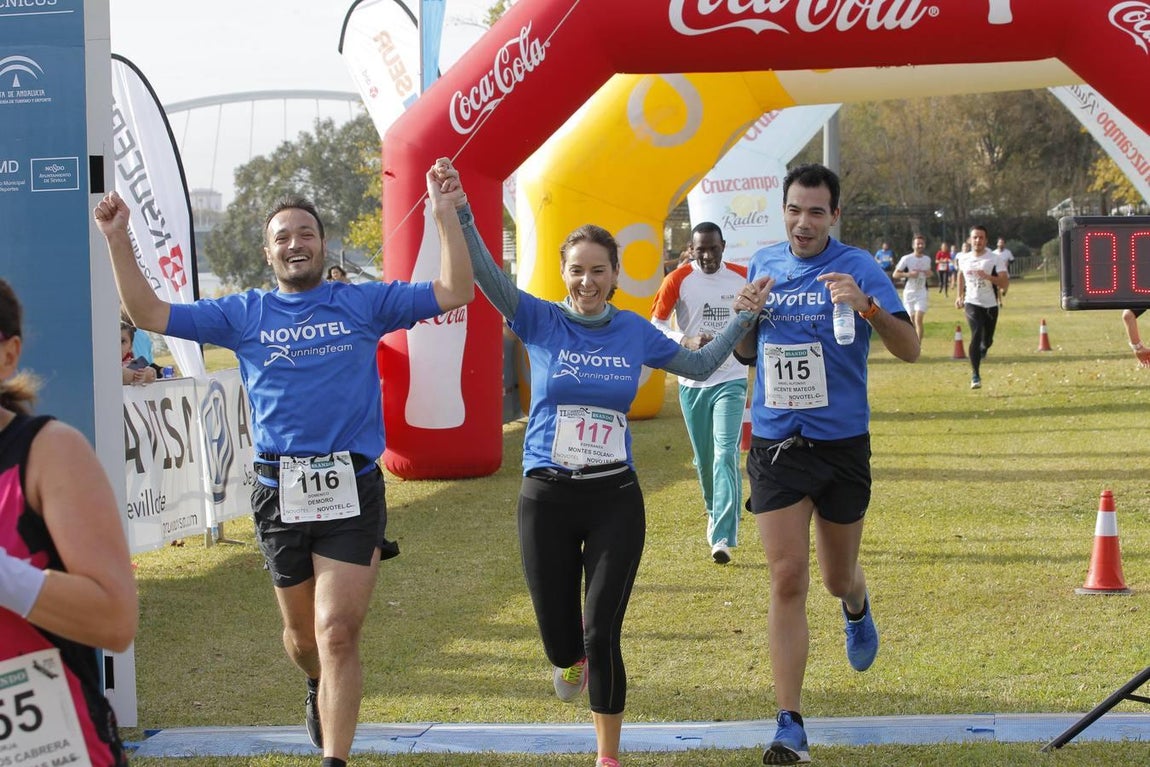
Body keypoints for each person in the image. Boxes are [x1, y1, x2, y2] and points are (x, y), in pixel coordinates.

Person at [94, 158, 474, 767]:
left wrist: (445, 214)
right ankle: (313, 684)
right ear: (269, 255)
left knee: (337, 632)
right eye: (282, 238)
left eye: (305, 233)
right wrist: (118, 239)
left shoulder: (363, 303)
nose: (295, 243)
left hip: (352, 488)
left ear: (323, 245)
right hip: (278, 492)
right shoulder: (243, 314)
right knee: (304, 643)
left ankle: (335, 759)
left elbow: (456, 289)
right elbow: (150, 316)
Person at [446, 165, 770, 767]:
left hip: (614, 499)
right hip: (546, 495)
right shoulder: (540, 318)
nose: (588, 281)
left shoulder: (632, 331)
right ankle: (568, 660)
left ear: (616, 275)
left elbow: (698, 368)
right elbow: (490, 279)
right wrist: (463, 213)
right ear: (563, 274)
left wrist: (744, 319)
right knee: (563, 645)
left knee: (602, 631)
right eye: (578, 270)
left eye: (599, 270)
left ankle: (608, 757)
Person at [733, 163, 919, 765]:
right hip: (778, 443)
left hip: (841, 446)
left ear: (835, 216)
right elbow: (744, 353)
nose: (803, 222)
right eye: (794, 209)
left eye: (816, 211)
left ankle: (856, 603)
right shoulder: (763, 264)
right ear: (781, 211)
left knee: (837, 577)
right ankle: (789, 724)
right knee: (787, 576)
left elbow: (911, 348)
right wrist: (744, 319)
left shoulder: (860, 267)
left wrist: (867, 307)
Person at [0, 278, 138, 767]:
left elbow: (115, 621)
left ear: (9, 354)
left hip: (52, 748)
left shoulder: (49, 452)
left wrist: (6, 577)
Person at [651, 222, 749, 564]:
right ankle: (712, 509)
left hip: (731, 378)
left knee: (726, 454)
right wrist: (686, 341)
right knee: (705, 460)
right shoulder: (677, 280)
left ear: (723, 246)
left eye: (713, 249)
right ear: (691, 250)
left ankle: (722, 535)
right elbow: (656, 324)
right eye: (700, 250)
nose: (707, 256)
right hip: (692, 381)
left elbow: (759, 315)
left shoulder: (742, 276)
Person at [955, 225, 1008, 390]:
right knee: (976, 334)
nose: (978, 240)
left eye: (981, 237)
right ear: (970, 240)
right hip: (972, 302)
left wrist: (988, 277)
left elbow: (1004, 282)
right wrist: (959, 296)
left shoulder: (994, 259)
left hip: (990, 305)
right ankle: (975, 375)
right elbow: (960, 275)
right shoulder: (964, 258)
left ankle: (985, 347)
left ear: (986, 240)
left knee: (987, 340)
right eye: (975, 237)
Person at [893, 234, 932, 342]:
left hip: (921, 292)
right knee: (911, 320)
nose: (920, 246)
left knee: (918, 318)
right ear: (913, 245)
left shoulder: (927, 259)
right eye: (917, 244)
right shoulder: (906, 259)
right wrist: (909, 274)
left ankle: (918, 345)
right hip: (909, 292)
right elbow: (895, 274)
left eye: (922, 243)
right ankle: (913, 342)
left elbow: (929, 273)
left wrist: (929, 273)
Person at [120, 320, 158, 385]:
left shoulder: (132, 363)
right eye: (112, 340)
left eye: (122, 341)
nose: (117, 344)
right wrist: (133, 375)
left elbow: (152, 373)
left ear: (130, 347)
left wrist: (145, 376)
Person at [992, 237, 1015, 304]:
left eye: (1002, 243)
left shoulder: (1008, 252)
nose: (1001, 244)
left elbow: (1012, 260)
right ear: (997, 244)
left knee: (1006, 286)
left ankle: (1004, 292)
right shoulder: (994, 253)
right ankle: (999, 301)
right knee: (997, 287)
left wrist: (1008, 263)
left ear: (1004, 244)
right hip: (997, 272)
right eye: (1000, 243)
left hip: (1005, 271)